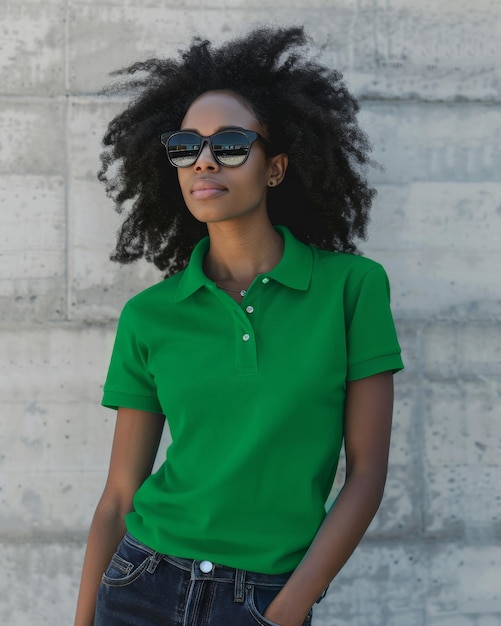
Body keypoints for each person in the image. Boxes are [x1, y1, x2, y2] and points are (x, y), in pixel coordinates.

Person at [74, 25, 403, 626]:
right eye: (185, 146)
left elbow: (367, 474)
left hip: (262, 598)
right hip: (140, 582)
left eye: (229, 144)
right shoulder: (150, 315)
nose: (204, 160)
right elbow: (120, 494)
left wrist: (287, 609)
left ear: (275, 168)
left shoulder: (352, 289)